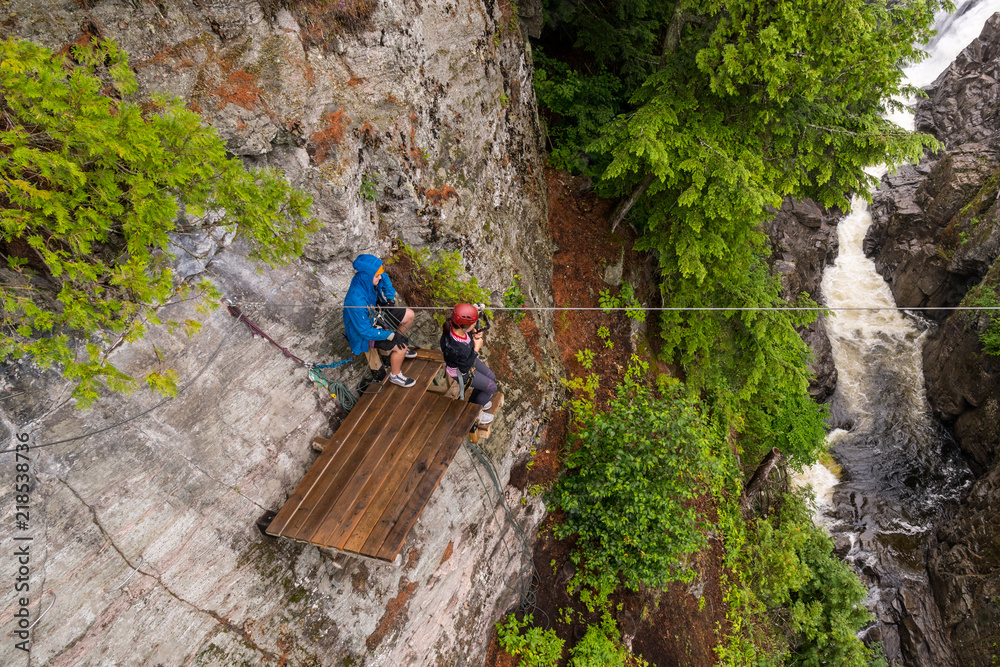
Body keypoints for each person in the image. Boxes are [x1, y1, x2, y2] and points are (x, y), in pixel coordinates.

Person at [343, 254, 417, 387]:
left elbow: (386, 280)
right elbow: (365, 331)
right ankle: (395, 375)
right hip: (363, 334)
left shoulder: (370, 277)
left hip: (375, 315)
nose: (380, 277)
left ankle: (399, 346)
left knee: (409, 315)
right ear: (368, 276)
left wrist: (390, 299)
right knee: (401, 347)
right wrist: (391, 335)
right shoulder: (356, 300)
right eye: (377, 276)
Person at [440, 303, 497, 424]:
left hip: (464, 360)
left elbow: (461, 317)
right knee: (492, 387)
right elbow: (465, 366)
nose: (475, 325)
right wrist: (476, 348)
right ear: (465, 326)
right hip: (461, 370)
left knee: (492, 377)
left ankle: (477, 401)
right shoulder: (459, 347)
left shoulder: (452, 325)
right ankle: (474, 412)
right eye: (473, 324)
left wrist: (473, 330)